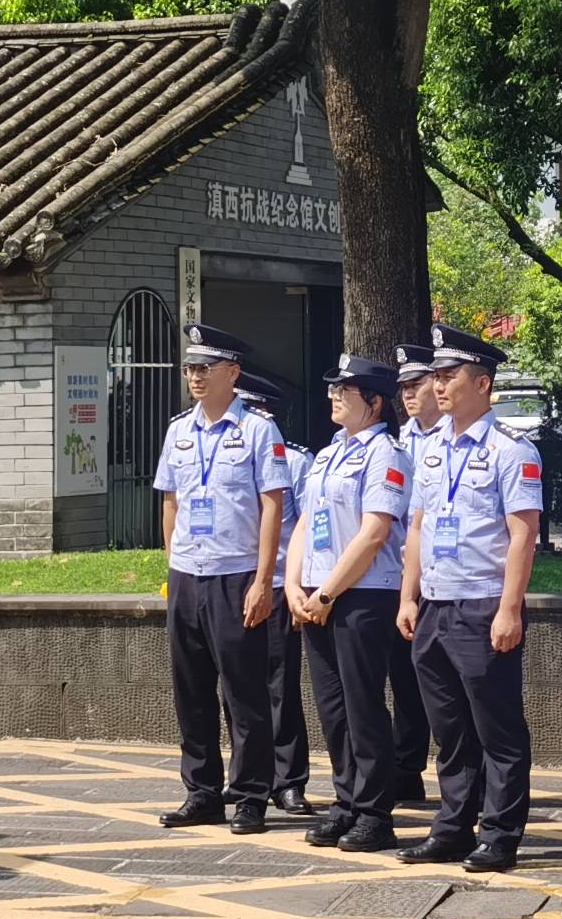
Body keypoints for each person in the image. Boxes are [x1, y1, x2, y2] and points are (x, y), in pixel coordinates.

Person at [399, 319, 541, 869]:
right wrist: (409, 597)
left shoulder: (511, 448)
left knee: (497, 726)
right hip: (436, 603)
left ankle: (501, 832)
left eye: (449, 374)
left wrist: (509, 609)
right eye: (434, 375)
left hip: (483, 603)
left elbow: (524, 534)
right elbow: (418, 526)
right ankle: (454, 824)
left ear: (481, 383)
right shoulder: (431, 447)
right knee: (450, 728)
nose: (437, 385)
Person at [153, 324, 291, 832]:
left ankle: (252, 794)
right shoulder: (178, 431)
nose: (194, 377)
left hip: (237, 575)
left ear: (232, 373)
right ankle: (202, 792)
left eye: (204, 368)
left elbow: (272, 506)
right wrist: (174, 563)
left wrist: (262, 580)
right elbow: (170, 502)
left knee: (244, 691)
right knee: (190, 690)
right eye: (190, 368)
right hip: (189, 574)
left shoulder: (257, 430)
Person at [290, 353, 427, 849]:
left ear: (372, 401)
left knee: (363, 705)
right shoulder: (328, 454)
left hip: (363, 594)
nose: (333, 398)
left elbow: (374, 533)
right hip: (318, 595)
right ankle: (346, 802)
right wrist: (294, 586)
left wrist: (327, 592)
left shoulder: (385, 455)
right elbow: (305, 522)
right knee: (333, 707)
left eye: (343, 392)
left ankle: (374, 811)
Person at [248, 370, 319, 822]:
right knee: (238, 690)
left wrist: (301, 587)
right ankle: (248, 777)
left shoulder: (295, 462)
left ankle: (289, 781)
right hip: (231, 584)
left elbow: (311, 529)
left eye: (252, 410)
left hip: (276, 585)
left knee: (281, 687)